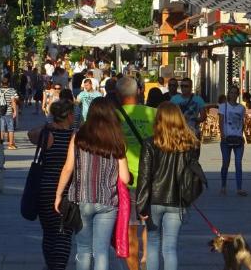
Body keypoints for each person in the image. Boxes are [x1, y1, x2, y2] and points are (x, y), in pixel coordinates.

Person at [55, 97, 132, 270]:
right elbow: (125, 178)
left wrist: (59, 195)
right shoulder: (116, 139)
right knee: (101, 251)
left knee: (83, 249)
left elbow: (68, 168)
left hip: (81, 198)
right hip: (107, 201)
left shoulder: (78, 136)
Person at [136, 102, 203, 270]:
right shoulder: (191, 144)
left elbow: (144, 176)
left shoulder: (150, 143)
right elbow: (192, 173)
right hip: (177, 200)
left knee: (152, 244)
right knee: (170, 248)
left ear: (159, 119)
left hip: (154, 200)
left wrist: (141, 205)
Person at [28, 99, 76, 270]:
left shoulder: (47, 134)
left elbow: (30, 134)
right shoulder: (73, 136)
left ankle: (51, 265)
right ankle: (59, 266)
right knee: (64, 232)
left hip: (44, 188)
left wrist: (48, 125)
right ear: (69, 115)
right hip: (66, 190)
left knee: (49, 232)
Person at [116, 76, 157, 270]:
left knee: (130, 232)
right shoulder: (153, 113)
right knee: (151, 227)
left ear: (117, 95)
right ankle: (148, 259)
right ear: (139, 92)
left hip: (127, 184)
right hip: (153, 180)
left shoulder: (114, 116)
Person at [218, 85, 247, 197]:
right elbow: (220, 121)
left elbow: (242, 122)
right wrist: (222, 135)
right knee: (226, 163)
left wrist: (242, 135)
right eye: (231, 92)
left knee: (238, 163)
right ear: (228, 94)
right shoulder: (223, 106)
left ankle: (239, 188)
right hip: (226, 139)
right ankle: (223, 186)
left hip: (238, 139)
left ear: (238, 95)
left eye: (235, 93)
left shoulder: (241, 108)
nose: (233, 95)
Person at [0, 77, 20, 150]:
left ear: (1, 83)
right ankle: (10, 144)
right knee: (10, 129)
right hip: (8, 112)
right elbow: (14, 100)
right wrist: (15, 111)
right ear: (8, 83)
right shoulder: (12, 90)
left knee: (1, 128)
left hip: (0, 112)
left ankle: (0, 144)